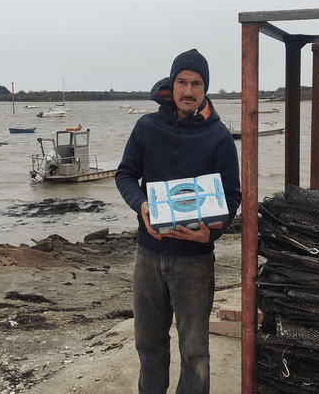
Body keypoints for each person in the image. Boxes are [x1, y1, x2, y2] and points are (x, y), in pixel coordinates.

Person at [115, 49, 242, 394]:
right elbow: (125, 174)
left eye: (196, 83)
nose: (188, 90)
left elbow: (231, 197)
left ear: (205, 88)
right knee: (149, 346)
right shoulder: (146, 126)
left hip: (195, 262)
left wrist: (212, 233)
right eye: (182, 82)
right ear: (171, 86)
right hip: (148, 255)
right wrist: (140, 204)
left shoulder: (218, 136)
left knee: (196, 353)